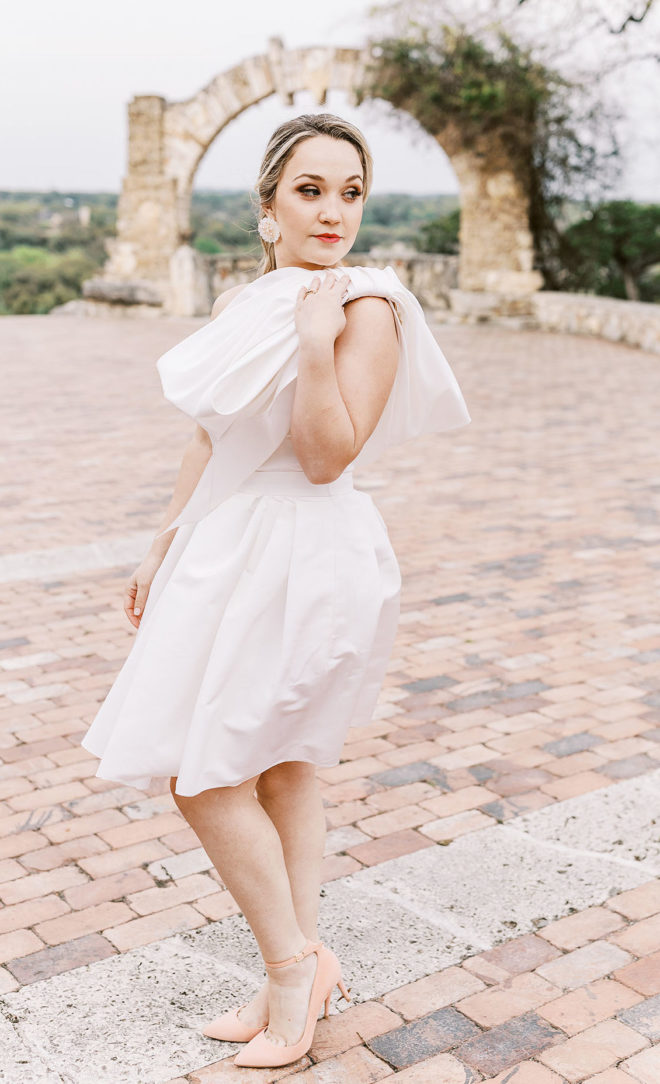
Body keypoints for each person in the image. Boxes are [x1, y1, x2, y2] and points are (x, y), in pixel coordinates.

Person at [81, 112, 470, 1069]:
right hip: (227, 545)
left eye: (351, 191)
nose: (334, 210)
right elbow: (208, 438)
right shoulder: (245, 305)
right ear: (267, 208)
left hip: (308, 550)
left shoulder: (370, 305)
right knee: (282, 768)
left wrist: (312, 340)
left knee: (204, 775)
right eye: (311, 190)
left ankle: (294, 967)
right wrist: (157, 546)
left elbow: (328, 455)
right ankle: (287, 973)